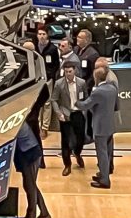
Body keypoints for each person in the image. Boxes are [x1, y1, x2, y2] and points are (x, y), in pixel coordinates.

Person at [78, 60, 119, 189]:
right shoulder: (112, 88)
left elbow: (86, 105)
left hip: (100, 127)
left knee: (102, 154)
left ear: (96, 77)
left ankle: (105, 180)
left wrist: (75, 102)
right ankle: (103, 173)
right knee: (107, 152)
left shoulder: (98, 92)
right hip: (110, 125)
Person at [12, 114, 52, 218]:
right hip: (29, 152)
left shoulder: (15, 121)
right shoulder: (17, 118)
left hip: (30, 153)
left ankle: (31, 217)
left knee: (30, 186)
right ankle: (44, 214)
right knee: (30, 185)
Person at [49, 61, 87, 175]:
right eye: (66, 72)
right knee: (65, 141)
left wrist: (84, 110)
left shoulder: (82, 83)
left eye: (70, 71)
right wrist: (58, 113)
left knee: (80, 139)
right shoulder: (59, 84)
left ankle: (77, 153)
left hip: (78, 113)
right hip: (65, 115)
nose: (68, 74)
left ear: (74, 71)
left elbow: (85, 97)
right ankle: (67, 165)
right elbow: (54, 100)